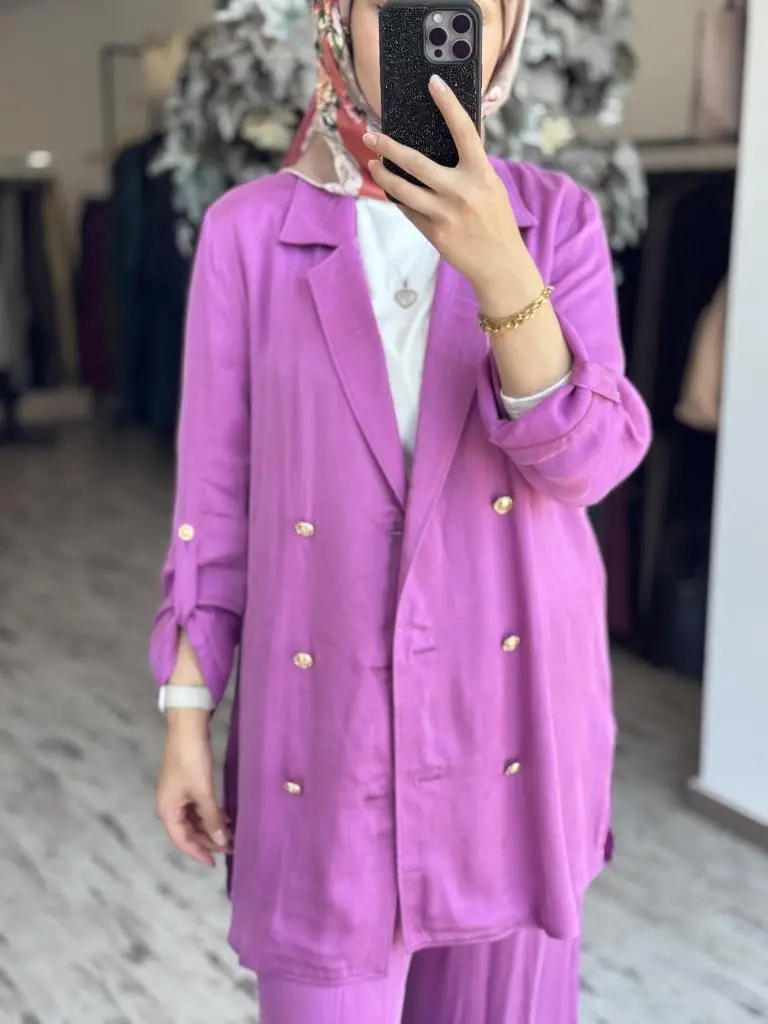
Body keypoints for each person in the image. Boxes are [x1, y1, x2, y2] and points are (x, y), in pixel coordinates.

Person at [150, 1, 652, 1020]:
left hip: (516, 732)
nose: (434, 31)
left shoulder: (556, 220)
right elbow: (214, 503)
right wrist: (187, 717)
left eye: (469, 8)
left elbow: (590, 466)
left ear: (507, 32)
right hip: (325, 744)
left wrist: (499, 263)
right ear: (336, 20)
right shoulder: (249, 233)